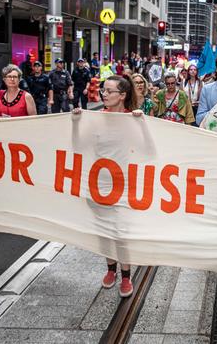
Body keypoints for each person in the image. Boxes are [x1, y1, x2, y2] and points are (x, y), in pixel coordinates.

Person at [73, 75, 143, 297]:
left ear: (122, 95)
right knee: (104, 231)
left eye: (109, 91)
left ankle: (125, 275)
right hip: (98, 183)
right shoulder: (95, 119)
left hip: (123, 183)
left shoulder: (131, 119)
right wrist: (76, 124)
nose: (104, 94)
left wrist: (142, 125)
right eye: (103, 90)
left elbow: (147, 150)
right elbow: (78, 146)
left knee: (120, 232)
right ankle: (110, 269)